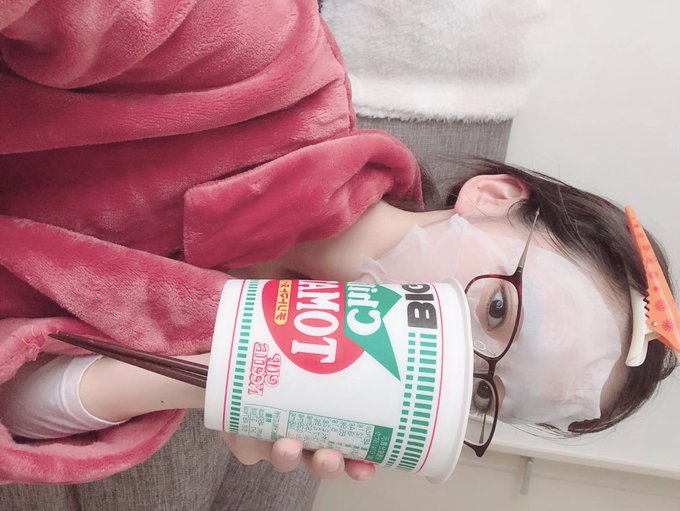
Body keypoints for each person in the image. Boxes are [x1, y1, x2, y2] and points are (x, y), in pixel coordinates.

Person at [0, 0, 677, 508]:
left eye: (483, 390)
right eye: (496, 309)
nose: (451, 359)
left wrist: (217, 378)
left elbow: (20, 405)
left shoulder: (232, 334)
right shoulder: (264, 61)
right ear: (493, 196)